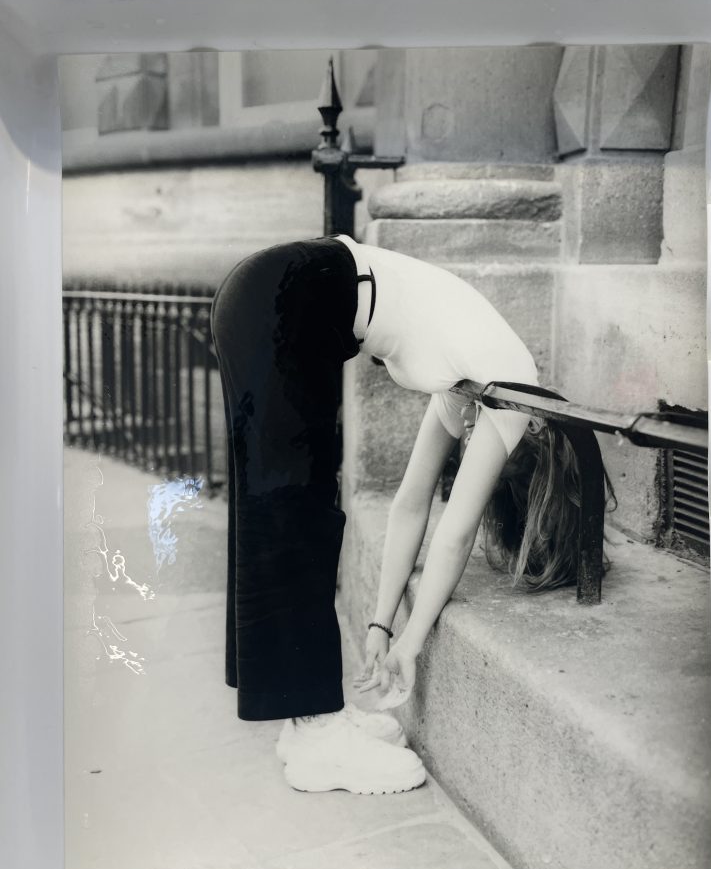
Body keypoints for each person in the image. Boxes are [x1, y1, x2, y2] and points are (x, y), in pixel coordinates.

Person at [209, 232, 615, 797]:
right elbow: (454, 533)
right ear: (538, 441)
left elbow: (412, 501)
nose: (478, 445)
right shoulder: (516, 391)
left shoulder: (474, 380)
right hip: (293, 294)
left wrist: (382, 626)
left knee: (281, 504)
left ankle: (304, 720)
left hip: (275, 288)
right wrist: (411, 644)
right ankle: (318, 736)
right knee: (294, 513)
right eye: (506, 470)